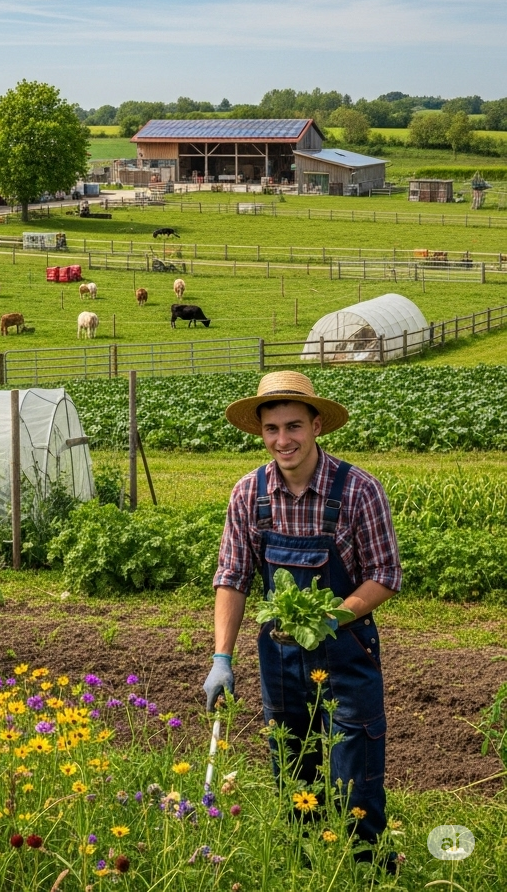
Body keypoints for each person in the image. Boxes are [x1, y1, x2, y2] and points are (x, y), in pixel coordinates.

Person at [203, 370, 401, 863]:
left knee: (355, 779)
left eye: (293, 426)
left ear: (316, 425)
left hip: (346, 654)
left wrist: (330, 617)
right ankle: (304, 869)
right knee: (293, 775)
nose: (282, 440)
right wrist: (221, 657)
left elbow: (385, 575)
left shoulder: (357, 491)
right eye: (272, 429)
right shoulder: (249, 494)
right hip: (282, 659)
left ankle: (367, 870)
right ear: (261, 432)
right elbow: (232, 575)